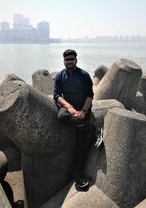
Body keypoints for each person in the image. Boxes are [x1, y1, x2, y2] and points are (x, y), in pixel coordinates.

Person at [53, 49, 103, 189]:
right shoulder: (60, 76)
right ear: (64, 61)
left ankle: (79, 177)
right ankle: (92, 129)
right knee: (61, 116)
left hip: (83, 108)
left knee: (80, 145)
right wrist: (69, 108)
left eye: (71, 59)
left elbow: (89, 95)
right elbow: (57, 96)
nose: (69, 61)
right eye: (67, 59)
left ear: (76, 60)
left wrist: (83, 111)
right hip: (69, 108)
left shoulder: (84, 75)